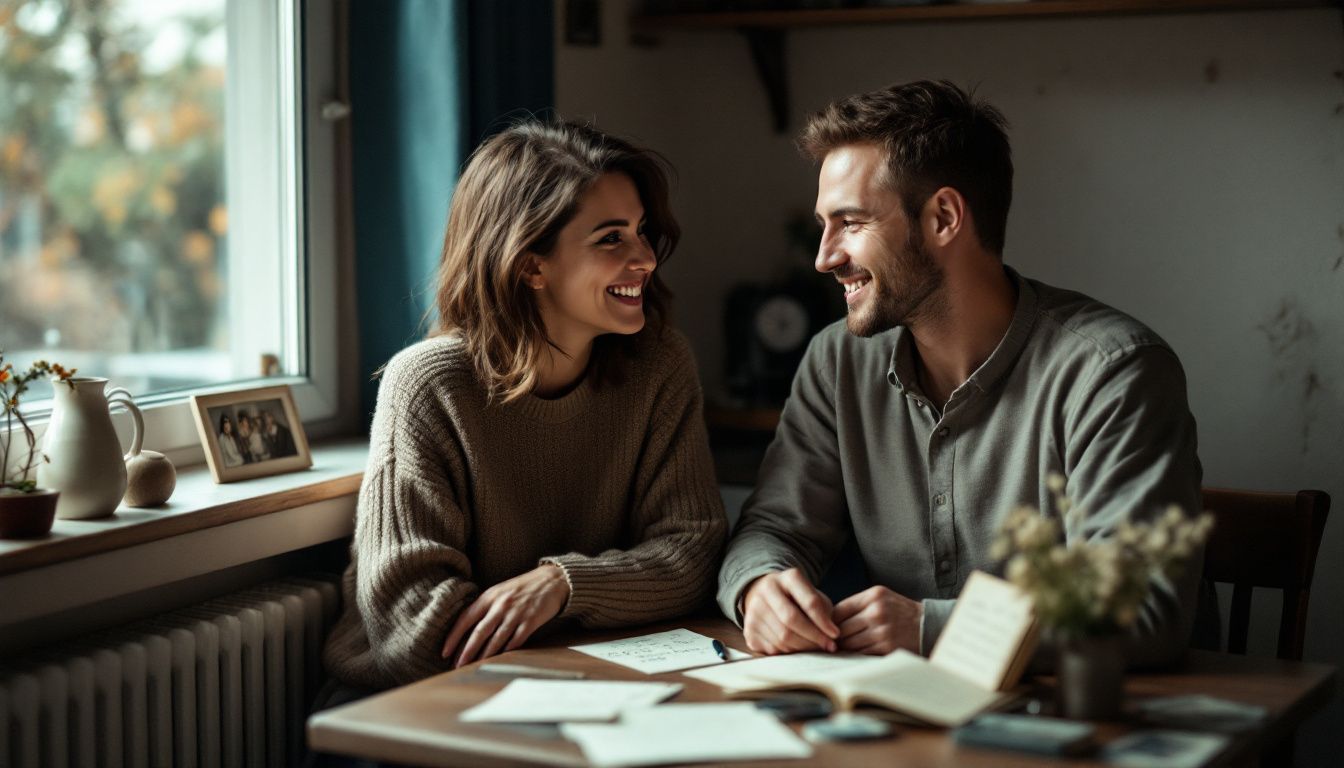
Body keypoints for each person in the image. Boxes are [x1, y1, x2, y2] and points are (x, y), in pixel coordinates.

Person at [717, 81, 1204, 667]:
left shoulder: (1113, 373)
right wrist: (760, 586)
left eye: (850, 222)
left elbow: (1139, 607)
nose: (824, 257)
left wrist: (932, 628)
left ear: (943, 218)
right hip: (897, 710)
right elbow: (774, 527)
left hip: (1082, 714)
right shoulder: (837, 361)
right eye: (824, 224)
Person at [320, 121, 727, 698]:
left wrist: (562, 586)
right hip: (414, 703)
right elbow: (414, 633)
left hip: (595, 684)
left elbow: (694, 555)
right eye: (611, 238)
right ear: (530, 265)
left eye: (640, 232)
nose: (644, 259)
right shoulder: (428, 385)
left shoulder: (659, 364)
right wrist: (620, 596)